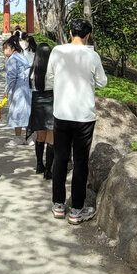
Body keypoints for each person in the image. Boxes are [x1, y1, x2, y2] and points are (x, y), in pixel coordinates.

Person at [46, 19, 107, 225]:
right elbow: (102, 82)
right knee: (81, 162)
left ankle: (58, 205)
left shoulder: (57, 52)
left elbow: (49, 78)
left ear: (70, 32)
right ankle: (76, 210)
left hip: (61, 113)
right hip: (84, 116)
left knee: (61, 158)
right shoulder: (93, 55)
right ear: (88, 35)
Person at [28, 44, 54, 178]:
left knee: (40, 136)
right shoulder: (53, 70)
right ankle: (48, 169)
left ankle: (39, 164)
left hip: (37, 102)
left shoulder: (33, 71)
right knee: (51, 136)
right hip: (51, 102)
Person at [3, 35, 32, 145]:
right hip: (26, 87)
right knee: (26, 111)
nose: (4, 51)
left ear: (12, 48)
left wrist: (7, 89)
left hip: (18, 88)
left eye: (6, 49)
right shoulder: (21, 56)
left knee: (17, 111)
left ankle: (18, 137)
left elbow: (11, 76)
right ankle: (28, 136)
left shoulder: (13, 59)